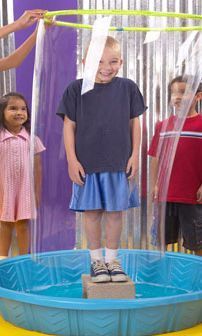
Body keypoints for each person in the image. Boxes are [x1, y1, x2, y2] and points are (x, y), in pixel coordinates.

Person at [57, 36, 146, 282]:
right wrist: (72, 160)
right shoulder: (76, 89)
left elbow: (135, 124)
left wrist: (135, 155)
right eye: (98, 61)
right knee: (92, 212)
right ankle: (97, 261)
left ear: (121, 62)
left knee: (116, 212)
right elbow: (69, 126)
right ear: (86, 61)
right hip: (87, 163)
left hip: (118, 162)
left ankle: (112, 260)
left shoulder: (127, 87)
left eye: (113, 61)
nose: (106, 67)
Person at [148, 76, 202, 256]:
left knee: (197, 242)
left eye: (183, 92)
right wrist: (155, 184)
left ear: (198, 96)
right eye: (173, 93)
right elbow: (155, 157)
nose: (176, 97)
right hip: (166, 195)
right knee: (162, 240)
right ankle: (162, 274)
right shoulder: (162, 126)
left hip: (193, 196)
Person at [0, 92, 45, 258]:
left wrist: (37, 193)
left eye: (23, 109)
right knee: (4, 224)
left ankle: (24, 259)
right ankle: (3, 260)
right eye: (13, 108)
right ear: (2, 112)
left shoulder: (31, 139)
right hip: (3, 189)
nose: (19, 112)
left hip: (24, 191)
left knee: (23, 224)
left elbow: (38, 169)